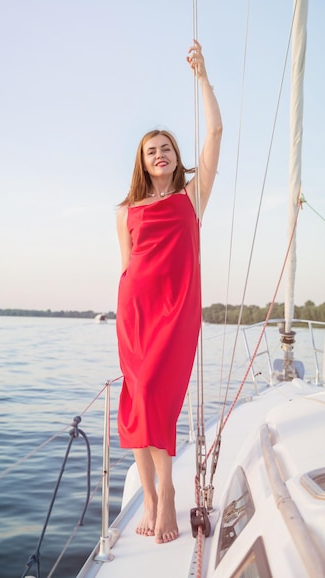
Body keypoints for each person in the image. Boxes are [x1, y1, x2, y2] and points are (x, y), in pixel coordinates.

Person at [115, 40, 222, 545]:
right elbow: (127, 266)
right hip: (134, 311)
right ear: (143, 161)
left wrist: (202, 77)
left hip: (176, 312)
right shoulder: (125, 210)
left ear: (177, 157)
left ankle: (169, 492)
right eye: (150, 150)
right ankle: (153, 497)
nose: (160, 154)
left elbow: (216, 130)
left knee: (158, 396)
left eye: (167, 148)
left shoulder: (191, 197)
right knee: (136, 402)